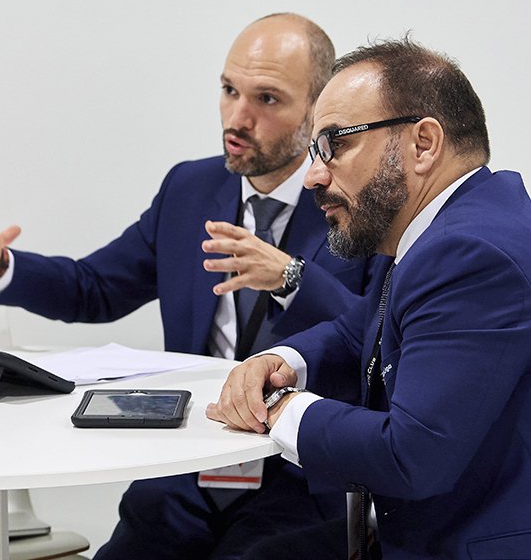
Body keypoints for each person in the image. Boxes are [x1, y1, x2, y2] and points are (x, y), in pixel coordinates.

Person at [0, 13, 376, 560]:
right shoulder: (190, 188)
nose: (238, 116)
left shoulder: (356, 204)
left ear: (318, 110)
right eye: (229, 91)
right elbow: (95, 287)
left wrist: (292, 280)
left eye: (267, 99)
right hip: (182, 473)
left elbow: (376, 341)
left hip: (298, 485)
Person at [207, 38, 531, 559]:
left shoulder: (472, 254)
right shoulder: (432, 227)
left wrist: (281, 409)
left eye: (335, 143)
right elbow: (359, 329)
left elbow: (412, 454)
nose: (313, 175)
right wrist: (281, 361)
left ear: (423, 144)